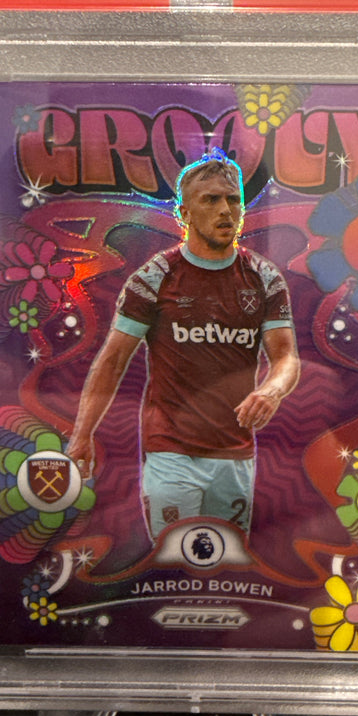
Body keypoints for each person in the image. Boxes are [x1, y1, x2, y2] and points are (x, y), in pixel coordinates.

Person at [67, 149, 300, 538]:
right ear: (184, 213)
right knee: (174, 554)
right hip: (171, 451)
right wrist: (82, 434)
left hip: (235, 452)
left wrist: (271, 391)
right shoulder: (154, 278)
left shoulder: (264, 278)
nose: (225, 210)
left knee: (226, 558)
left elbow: (286, 357)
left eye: (233, 200)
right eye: (211, 200)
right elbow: (112, 360)